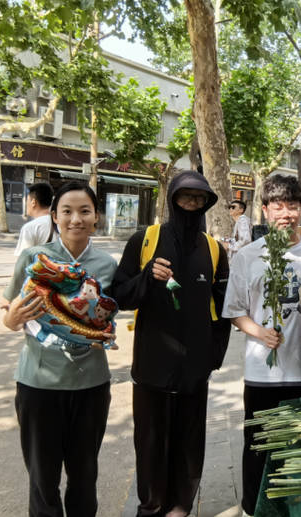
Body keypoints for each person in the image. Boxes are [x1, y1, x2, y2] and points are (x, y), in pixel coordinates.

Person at [111, 171, 230, 517]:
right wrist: (147, 278)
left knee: (190, 444)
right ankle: (151, 507)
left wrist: (212, 359)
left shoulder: (213, 249)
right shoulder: (144, 241)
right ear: (172, 199)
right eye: (185, 197)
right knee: (149, 445)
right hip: (152, 368)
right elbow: (120, 295)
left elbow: (223, 308)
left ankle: (181, 506)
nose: (192, 204)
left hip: (195, 371)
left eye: (198, 199)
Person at [2, 181, 117, 517]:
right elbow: (8, 311)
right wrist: (11, 320)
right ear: (54, 216)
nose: (75, 219)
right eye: (66, 211)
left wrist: (105, 332)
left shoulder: (107, 265)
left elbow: (107, 319)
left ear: (96, 217)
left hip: (91, 386)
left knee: (84, 476)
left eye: (84, 211)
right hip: (38, 384)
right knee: (42, 479)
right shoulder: (34, 259)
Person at [222, 174, 301, 517]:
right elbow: (235, 312)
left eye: (293, 206)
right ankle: (253, 510)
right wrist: (259, 332)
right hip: (261, 374)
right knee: (256, 448)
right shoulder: (247, 256)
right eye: (278, 206)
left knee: (300, 448)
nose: (286, 213)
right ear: (266, 210)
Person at [15, 182, 54, 256]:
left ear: (33, 202)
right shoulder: (60, 224)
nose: (26, 204)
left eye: (27, 200)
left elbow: (23, 260)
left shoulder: (30, 227)